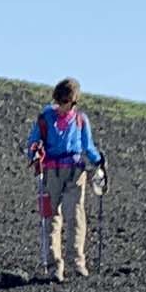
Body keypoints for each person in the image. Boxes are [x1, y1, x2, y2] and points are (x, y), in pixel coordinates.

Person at [25, 77, 103, 280]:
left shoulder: (80, 120)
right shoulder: (45, 117)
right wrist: (34, 153)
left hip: (75, 173)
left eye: (64, 102)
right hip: (51, 173)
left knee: (75, 216)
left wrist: (98, 161)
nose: (59, 106)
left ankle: (77, 263)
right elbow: (33, 141)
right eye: (58, 101)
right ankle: (54, 268)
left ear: (73, 102)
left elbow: (88, 146)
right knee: (51, 218)